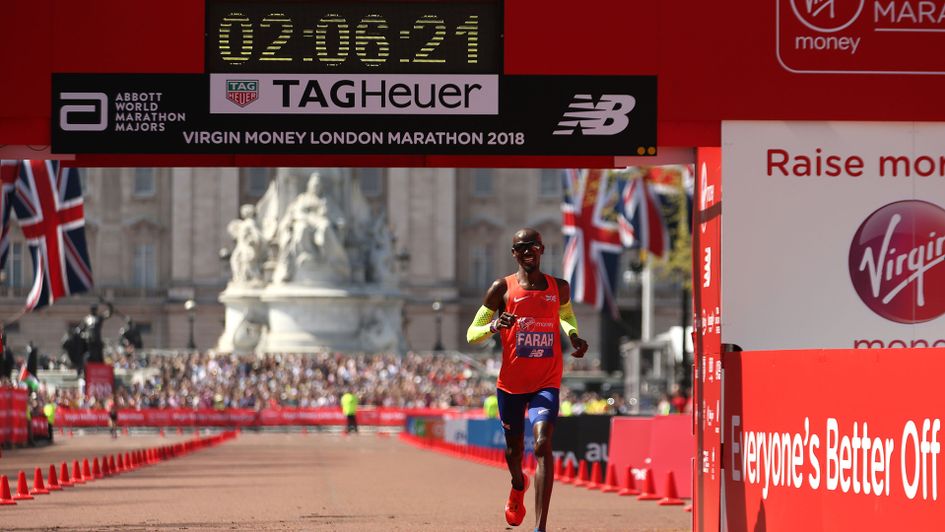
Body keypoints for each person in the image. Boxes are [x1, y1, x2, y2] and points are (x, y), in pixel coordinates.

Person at [466, 228, 588, 532]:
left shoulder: (559, 287)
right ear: (514, 253)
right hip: (511, 386)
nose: (527, 251)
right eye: (520, 247)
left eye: (532, 246)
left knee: (543, 444)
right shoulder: (501, 289)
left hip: (546, 382)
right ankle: (518, 485)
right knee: (514, 452)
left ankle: (540, 527)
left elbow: (566, 315)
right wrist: (494, 324)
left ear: (542, 249)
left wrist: (573, 335)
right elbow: (471, 334)